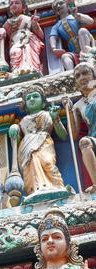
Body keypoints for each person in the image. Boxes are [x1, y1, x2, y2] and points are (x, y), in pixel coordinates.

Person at [8, 84, 67, 197]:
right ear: (25, 105)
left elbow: (63, 136)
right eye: (28, 98)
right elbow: (15, 142)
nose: (31, 99)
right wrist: (14, 129)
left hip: (44, 142)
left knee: (47, 162)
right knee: (31, 166)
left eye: (35, 96)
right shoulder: (24, 120)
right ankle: (34, 190)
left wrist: (55, 118)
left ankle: (56, 187)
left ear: (43, 102)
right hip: (27, 147)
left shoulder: (47, 115)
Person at [63, 61, 96, 190]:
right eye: (77, 76)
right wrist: (70, 111)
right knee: (84, 142)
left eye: (85, 73)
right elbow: (74, 134)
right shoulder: (79, 105)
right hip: (94, 137)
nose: (81, 78)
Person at [0, 0, 44, 77]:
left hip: (28, 41)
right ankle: (16, 72)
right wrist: (1, 31)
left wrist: (35, 24)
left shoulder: (28, 19)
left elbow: (41, 35)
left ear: (24, 8)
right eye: (11, 4)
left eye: (17, 3)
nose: (14, 5)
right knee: (15, 52)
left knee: (28, 52)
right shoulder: (7, 23)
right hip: (14, 43)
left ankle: (32, 69)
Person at [50, 0, 95, 70]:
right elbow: (52, 37)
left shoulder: (74, 17)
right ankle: (71, 74)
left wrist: (77, 15)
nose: (58, 6)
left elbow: (91, 21)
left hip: (85, 44)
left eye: (60, 4)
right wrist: (54, 48)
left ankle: (87, 56)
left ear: (67, 6)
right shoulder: (56, 26)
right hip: (75, 52)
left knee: (82, 31)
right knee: (64, 56)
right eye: (56, 6)